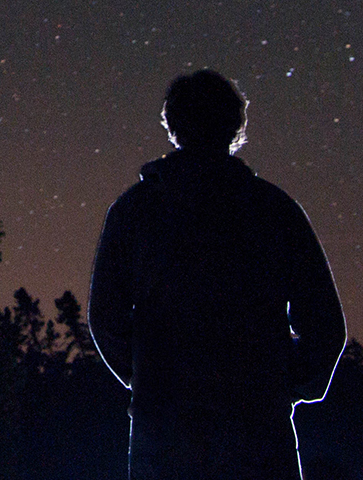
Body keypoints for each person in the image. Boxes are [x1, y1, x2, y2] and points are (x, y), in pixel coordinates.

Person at [88, 69, 347, 480]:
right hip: (258, 431)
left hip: (165, 433)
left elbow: (106, 319)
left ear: (172, 124)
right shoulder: (274, 210)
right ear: (235, 124)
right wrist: (285, 386)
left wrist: (150, 382)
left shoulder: (134, 212)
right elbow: (325, 324)